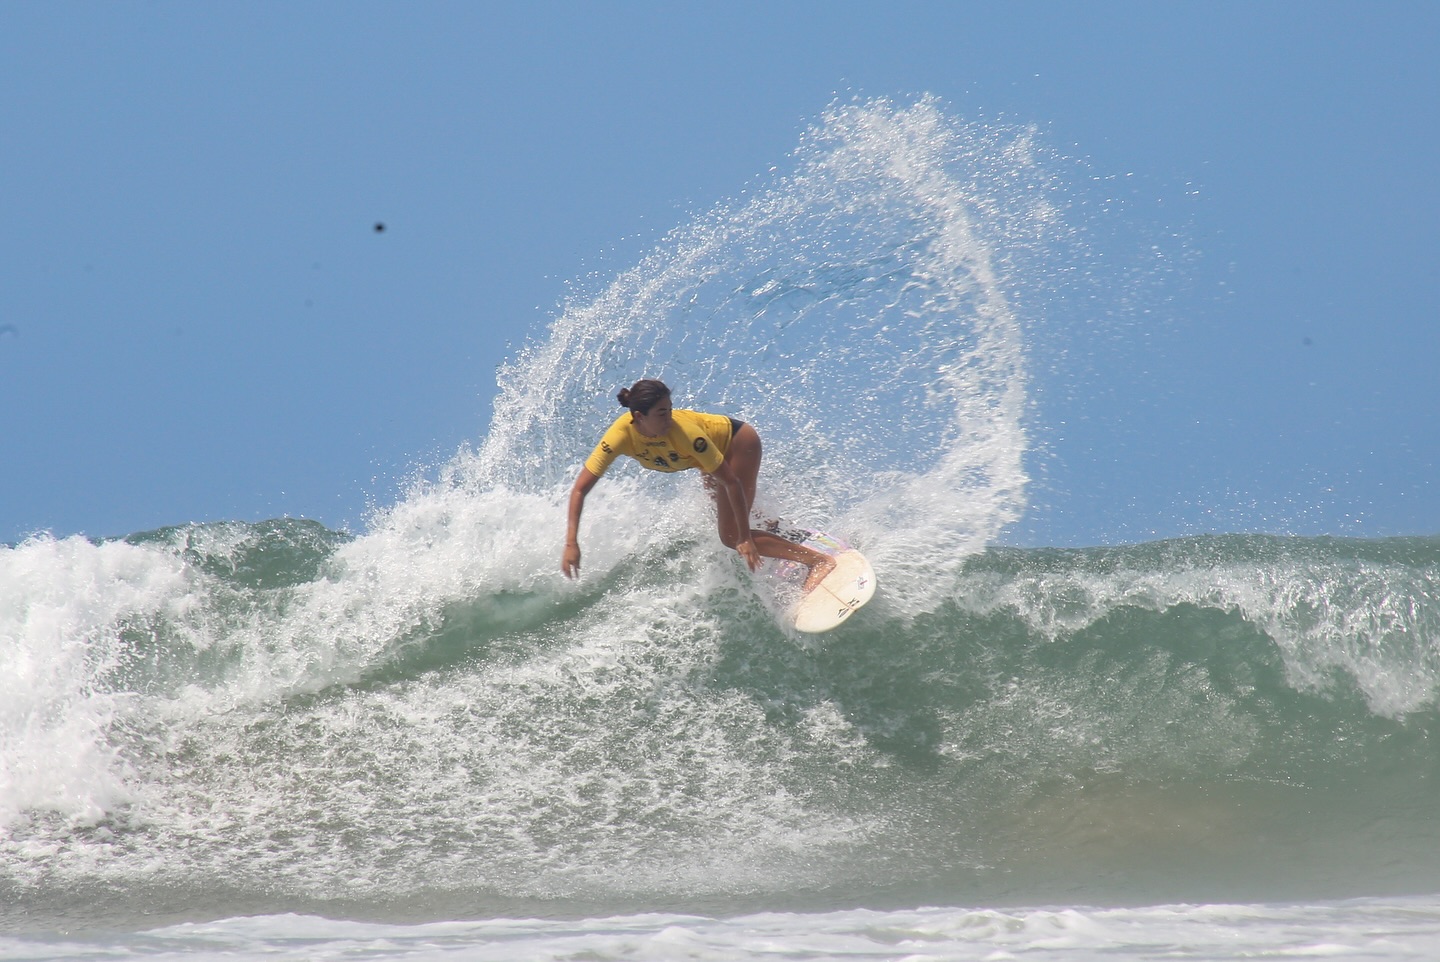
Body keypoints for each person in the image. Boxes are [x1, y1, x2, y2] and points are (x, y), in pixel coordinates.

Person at [561, 378, 837, 591]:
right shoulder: (620, 436)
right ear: (638, 417)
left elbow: (731, 482)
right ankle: (784, 532)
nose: (669, 418)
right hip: (705, 460)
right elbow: (580, 488)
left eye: (669, 410)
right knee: (719, 510)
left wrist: (743, 538)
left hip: (737, 443)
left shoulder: (684, 434)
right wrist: (571, 542)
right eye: (661, 414)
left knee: (730, 535)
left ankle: (818, 561)